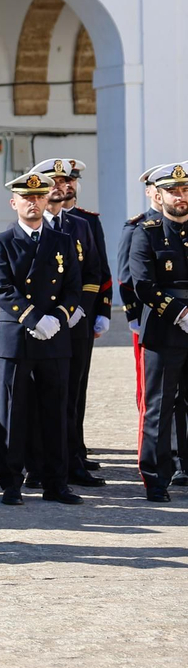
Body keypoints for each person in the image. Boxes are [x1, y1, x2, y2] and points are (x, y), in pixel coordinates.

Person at [0, 170, 83, 506]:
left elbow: (73, 286)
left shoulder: (63, 241)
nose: (33, 202)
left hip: (54, 336)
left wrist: (58, 317)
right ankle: (11, 482)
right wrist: (33, 318)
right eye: (26, 198)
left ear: (46, 200)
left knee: (56, 411)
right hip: (16, 335)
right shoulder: (0, 242)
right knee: (12, 411)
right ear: (14, 202)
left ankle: (56, 481)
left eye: (39, 197)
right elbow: (1, 289)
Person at [32, 157, 107, 487]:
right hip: (41, 325)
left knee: (73, 392)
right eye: (53, 181)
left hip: (75, 322)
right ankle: (38, 463)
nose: (60, 186)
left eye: (65, 181)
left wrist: (81, 309)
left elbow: (94, 271)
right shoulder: (31, 221)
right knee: (38, 394)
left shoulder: (81, 225)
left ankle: (73, 459)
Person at [129, 162, 188, 502]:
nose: (180, 197)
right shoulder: (146, 231)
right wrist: (180, 312)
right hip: (166, 329)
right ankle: (155, 478)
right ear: (159, 194)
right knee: (160, 406)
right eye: (173, 191)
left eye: (184, 190)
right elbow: (143, 284)